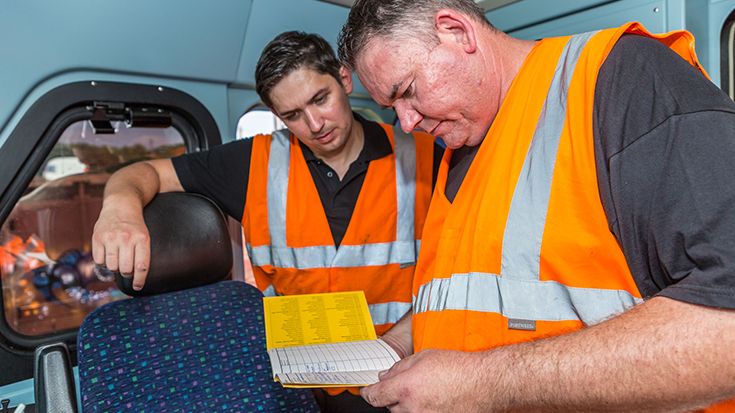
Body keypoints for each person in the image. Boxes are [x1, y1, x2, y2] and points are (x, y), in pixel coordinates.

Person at [337, 0, 735, 412]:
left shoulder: (622, 80)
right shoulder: (460, 141)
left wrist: (480, 383)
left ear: (457, 32)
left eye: (408, 92)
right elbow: (472, 296)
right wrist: (400, 342)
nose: (405, 122)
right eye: (391, 108)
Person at [92, 31, 441, 412]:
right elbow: (144, 172)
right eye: (292, 115)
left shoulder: (427, 157)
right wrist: (119, 207)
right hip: (297, 389)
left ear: (344, 79)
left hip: (402, 374)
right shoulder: (252, 164)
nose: (314, 124)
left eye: (320, 99)